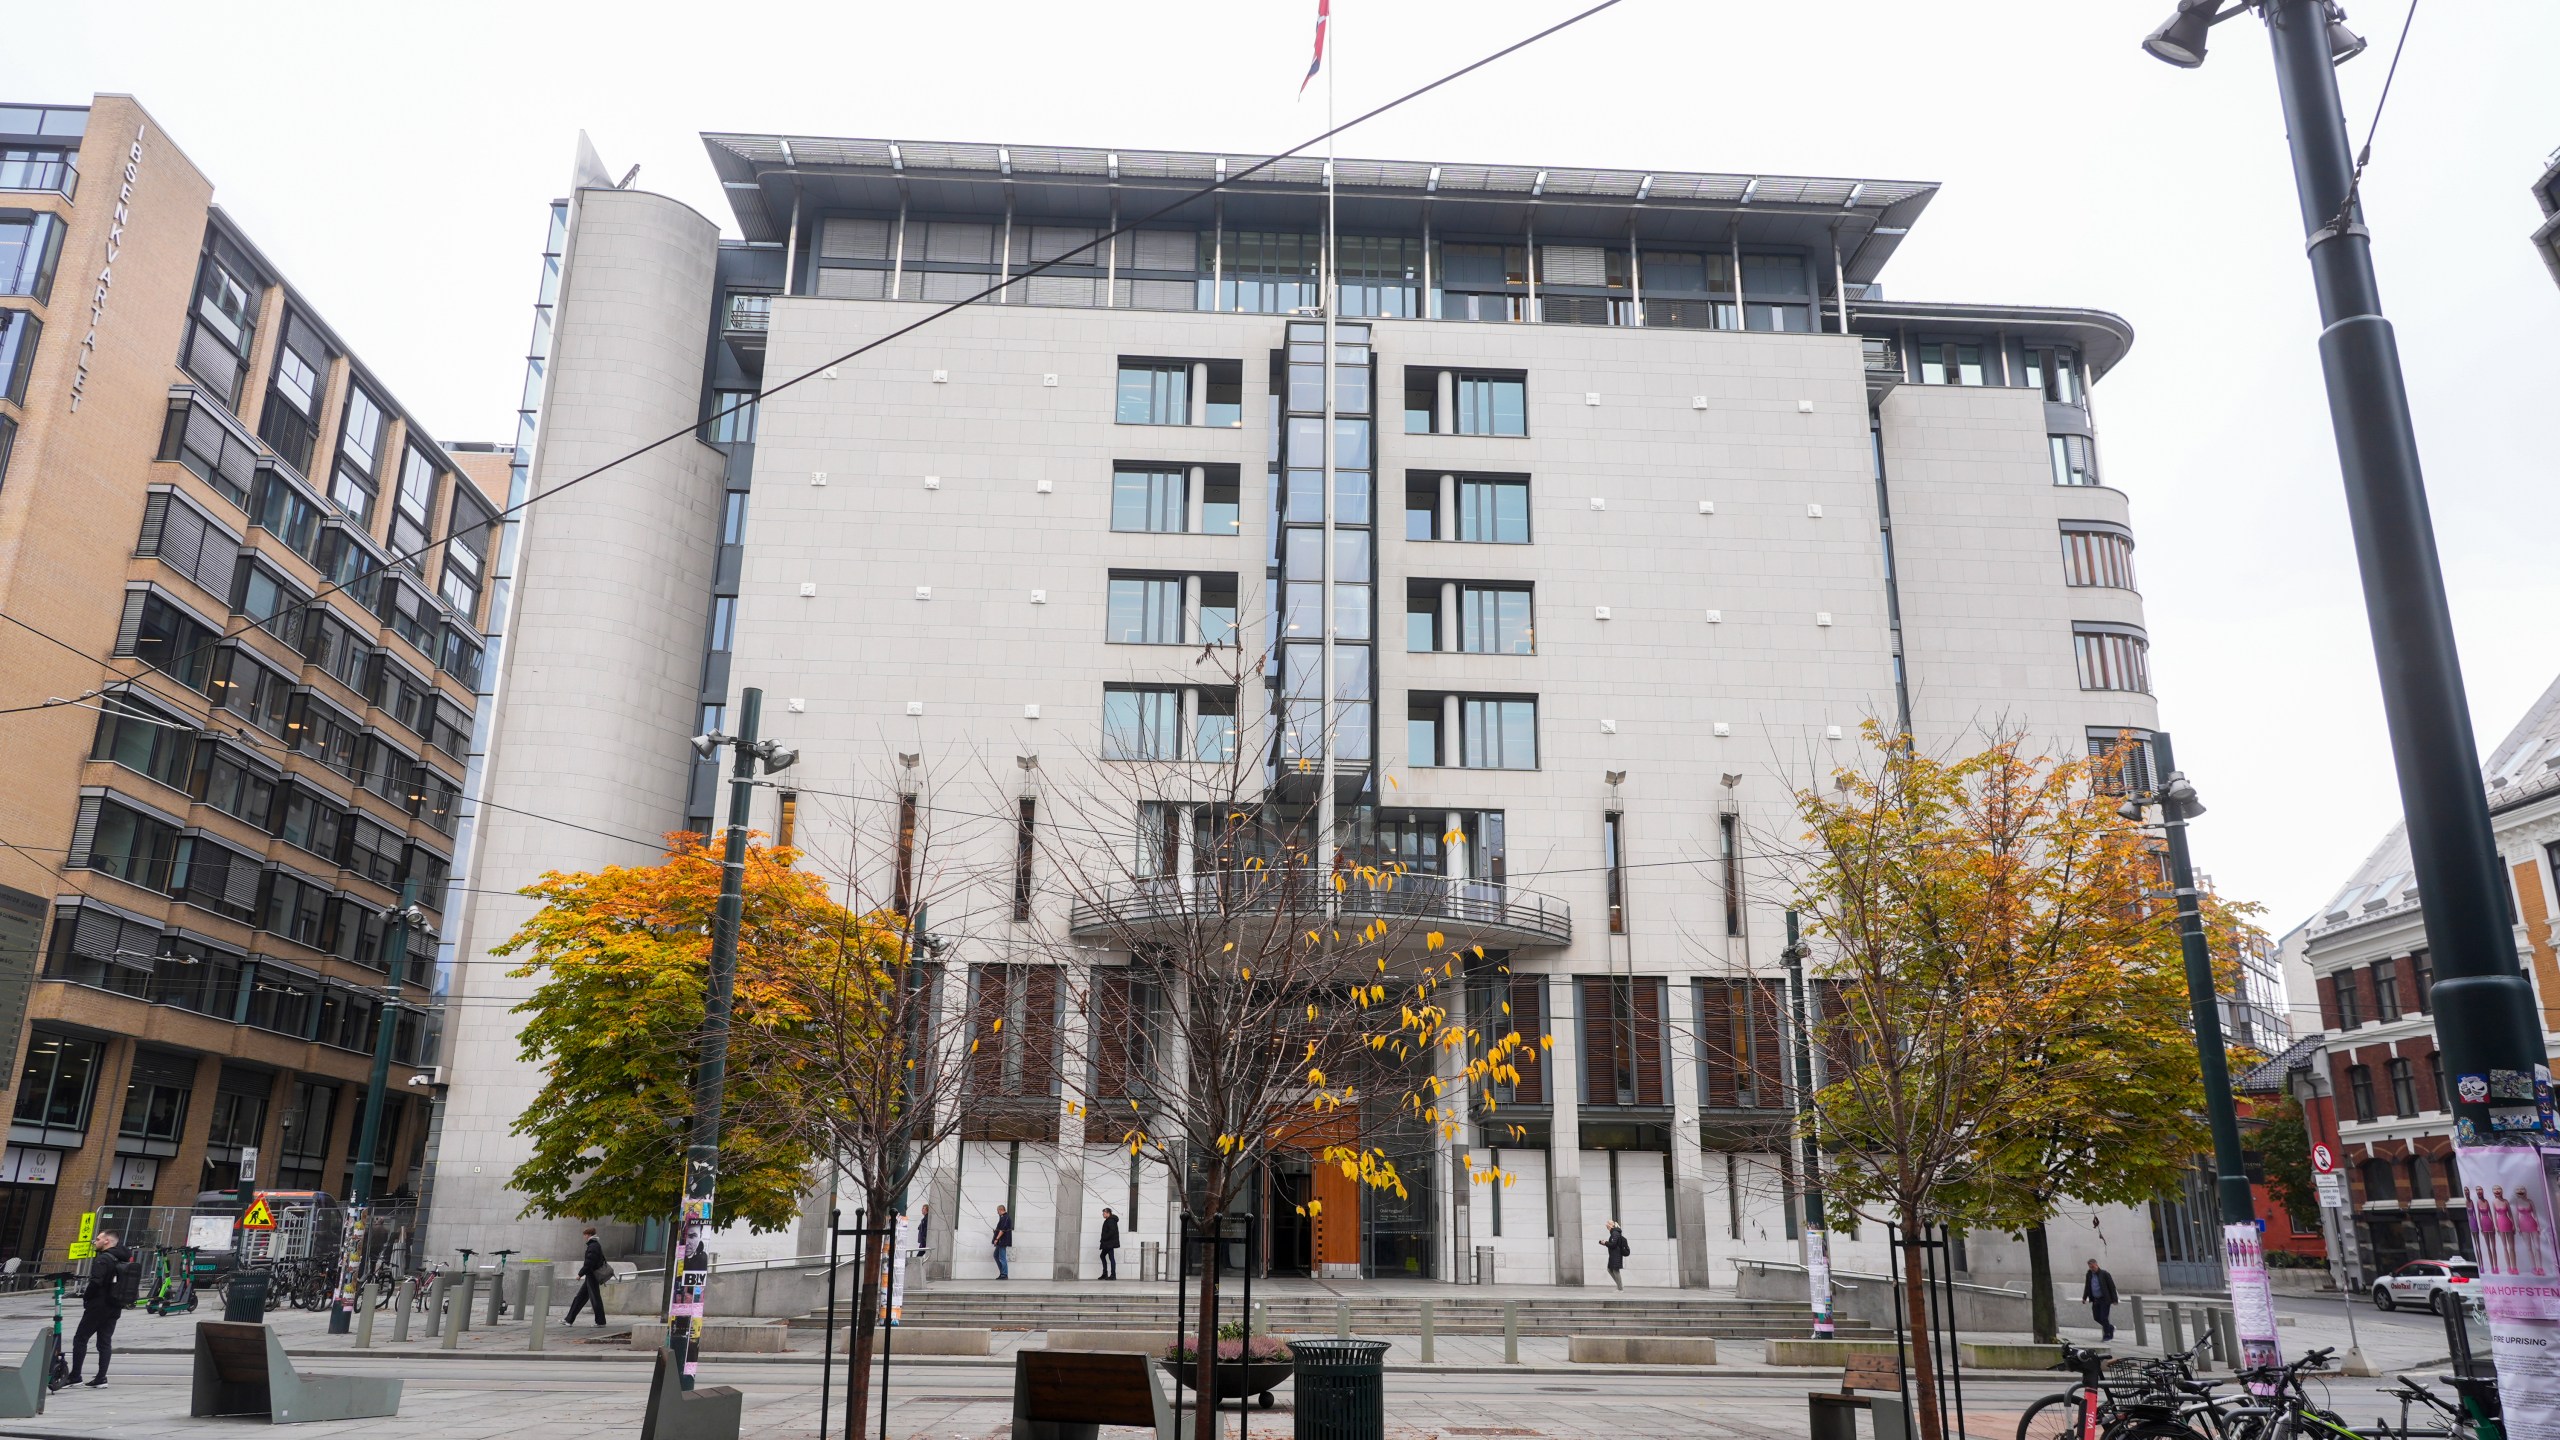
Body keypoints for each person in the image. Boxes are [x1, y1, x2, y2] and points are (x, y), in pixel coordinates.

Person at [67, 1231, 131, 1388]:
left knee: (81, 1338)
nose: (95, 1242)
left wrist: (86, 1297)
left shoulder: (104, 1259)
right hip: (115, 1305)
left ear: (107, 1241)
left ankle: (75, 1376)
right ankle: (101, 1378)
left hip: (99, 1304)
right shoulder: (121, 1258)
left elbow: (96, 1282)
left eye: (98, 1239)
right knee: (104, 1342)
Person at [565, 1226, 610, 1326]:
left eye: (585, 1235)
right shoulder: (594, 1245)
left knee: (595, 1299)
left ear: (589, 1235)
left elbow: (589, 1263)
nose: (584, 1237)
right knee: (580, 1298)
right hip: (591, 1276)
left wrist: (580, 1274)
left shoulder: (593, 1246)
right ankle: (568, 1320)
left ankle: (600, 1322)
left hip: (592, 1276)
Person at [2082, 1258, 2119, 1341]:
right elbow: (2087, 1286)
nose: (2092, 1269)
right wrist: (2084, 1297)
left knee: (2104, 1317)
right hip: (2095, 1299)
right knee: (2096, 1317)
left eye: (2093, 1267)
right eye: (2090, 1267)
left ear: (2097, 1265)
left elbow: (2112, 1287)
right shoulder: (2089, 1275)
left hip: (2104, 1299)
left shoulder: (2104, 1274)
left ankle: (2107, 1334)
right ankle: (2110, 1327)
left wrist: (2114, 1299)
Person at [1600, 1220, 1630, 1291]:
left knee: (1615, 1270)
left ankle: (1620, 1288)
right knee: (1610, 1269)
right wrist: (1605, 1243)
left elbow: (1613, 1244)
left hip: (1616, 1255)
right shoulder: (1614, 1232)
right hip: (1613, 1254)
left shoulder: (1615, 1233)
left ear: (1610, 1226)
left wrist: (1605, 1242)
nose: (1606, 1226)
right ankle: (1620, 1285)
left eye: (1607, 1225)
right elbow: (1613, 1245)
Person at [992, 1205, 1014, 1280]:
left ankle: (1004, 1274)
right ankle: (1002, 1272)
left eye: (997, 1211)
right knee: (995, 1255)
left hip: (1002, 1241)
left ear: (1000, 1210)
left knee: (1002, 1257)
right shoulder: (1003, 1218)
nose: (997, 1212)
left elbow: (1003, 1230)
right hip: (1001, 1241)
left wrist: (997, 1239)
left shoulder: (1005, 1217)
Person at [1099, 1207, 1121, 1280]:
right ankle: (1106, 1274)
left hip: (1109, 1243)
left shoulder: (1111, 1220)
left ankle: (1112, 1275)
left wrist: (1104, 1238)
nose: (1103, 1214)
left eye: (1104, 1213)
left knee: (1111, 1258)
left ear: (1108, 1213)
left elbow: (1112, 1232)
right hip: (1108, 1243)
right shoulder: (1109, 1220)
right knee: (1103, 1256)